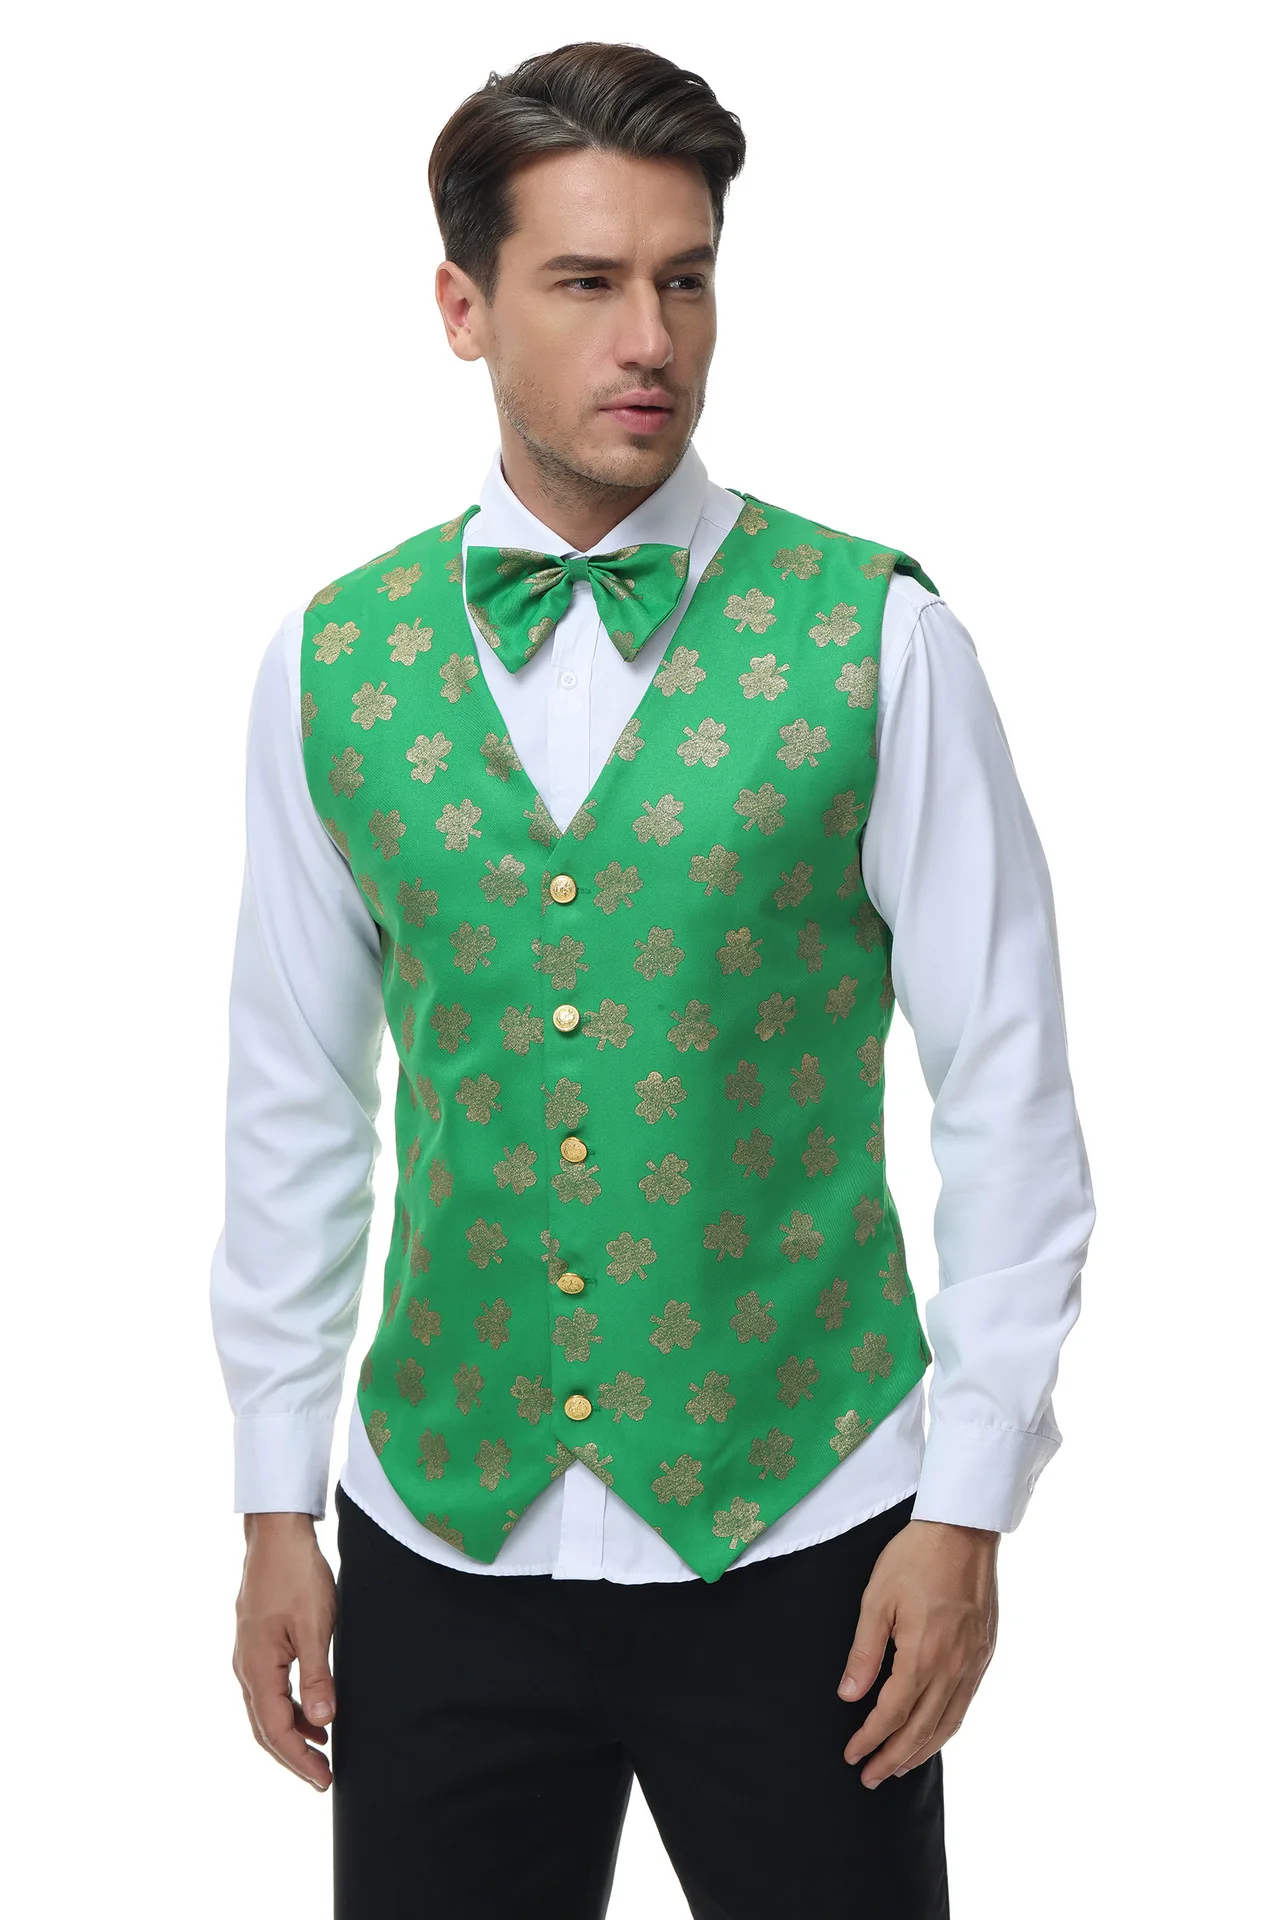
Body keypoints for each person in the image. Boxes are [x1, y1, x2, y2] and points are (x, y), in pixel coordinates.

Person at [210, 39, 1095, 1920]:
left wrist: (966, 1504)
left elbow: (1009, 1094)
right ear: (463, 308)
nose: (651, 340)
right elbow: (294, 1100)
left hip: (810, 1534)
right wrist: (276, 1496)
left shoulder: (880, 641)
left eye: (687, 280)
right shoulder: (330, 662)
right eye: (587, 281)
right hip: (440, 1536)